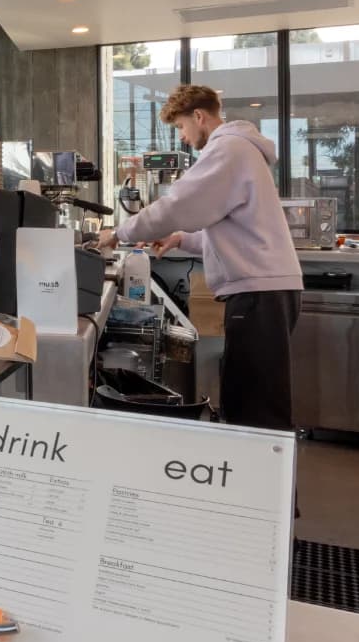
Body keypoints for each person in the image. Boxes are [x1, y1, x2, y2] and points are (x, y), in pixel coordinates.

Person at [94, 85, 303, 430]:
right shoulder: (240, 150)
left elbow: (178, 204)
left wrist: (118, 233)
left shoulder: (228, 149)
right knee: (251, 399)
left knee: (256, 410)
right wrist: (179, 238)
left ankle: (265, 480)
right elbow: (224, 225)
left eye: (180, 127)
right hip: (264, 290)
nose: (183, 137)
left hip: (259, 294)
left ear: (199, 117)